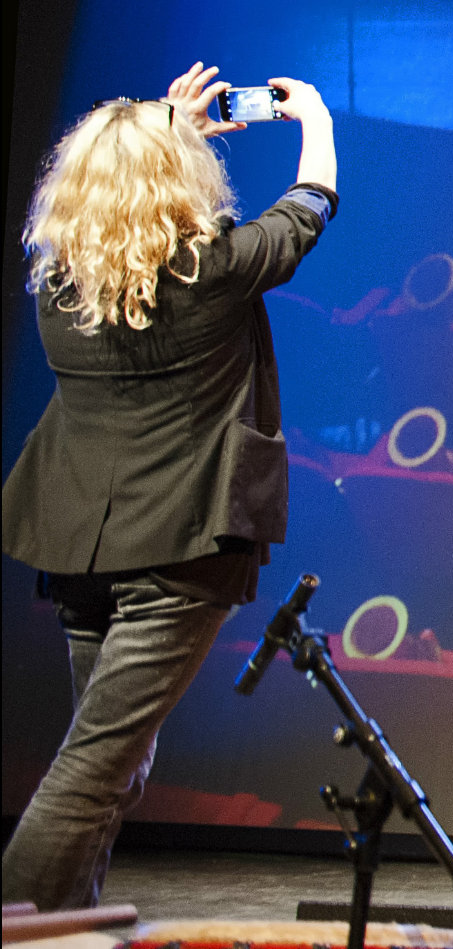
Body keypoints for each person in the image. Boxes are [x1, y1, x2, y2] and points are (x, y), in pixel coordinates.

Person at [2, 65, 339, 911]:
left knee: (115, 759)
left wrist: (164, 125)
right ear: (176, 181)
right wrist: (317, 116)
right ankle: (18, 924)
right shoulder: (210, 273)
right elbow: (309, 207)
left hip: (78, 549)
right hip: (178, 554)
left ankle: (66, 925)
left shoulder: (58, 288)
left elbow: (134, 219)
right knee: (94, 767)